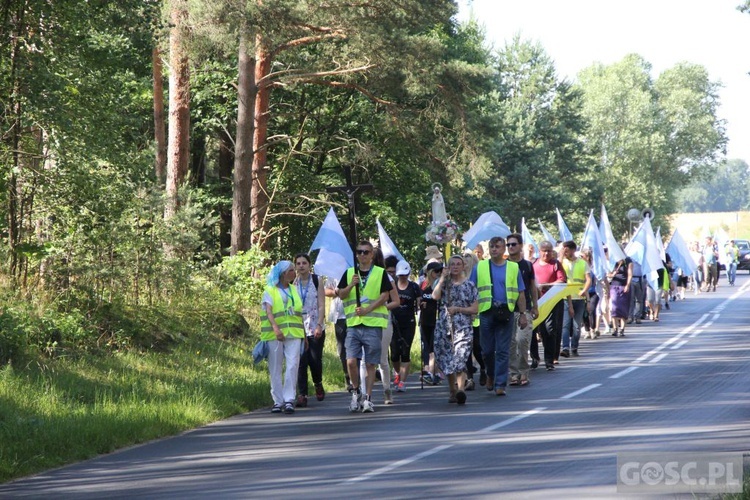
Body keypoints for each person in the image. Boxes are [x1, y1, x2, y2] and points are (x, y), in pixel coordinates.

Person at [336, 240, 392, 413]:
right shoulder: (349, 273)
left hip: (373, 324)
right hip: (353, 323)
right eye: (359, 252)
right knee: (351, 361)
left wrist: (368, 309)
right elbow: (342, 295)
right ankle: (355, 391)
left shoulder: (380, 273)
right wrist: (351, 284)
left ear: (372, 255)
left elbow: (385, 296)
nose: (362, 255)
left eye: (366, 252)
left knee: (370, 363)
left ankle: (368, 398)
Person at [469, 236, 528, 396]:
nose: (494, 249)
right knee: (486, 350)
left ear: (504, 249)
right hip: (486, 312)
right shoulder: (480, 267)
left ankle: (500, 383)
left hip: (506, 312)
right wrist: (471, 310)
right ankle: (490, 374)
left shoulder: (513, 268)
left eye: (498, 246)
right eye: (492, 247)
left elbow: (520, 293)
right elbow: (471, 290)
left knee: (503, 350)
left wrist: (522, 314)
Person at [432, 255, 478, 405]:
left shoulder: (469, 285)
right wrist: (442, 279)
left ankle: (461, 391)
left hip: (462, 326)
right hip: (444, 326)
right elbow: (435, 296)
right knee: (447, 358)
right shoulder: (445, 284)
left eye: (458, 264)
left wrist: (458, 309)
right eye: (452, 264)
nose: (455, 267)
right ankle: (452, 390)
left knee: (460, 357)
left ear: (463, 266)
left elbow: (475, 308)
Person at [261, 260, 305, 414]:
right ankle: (277, 401)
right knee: (275, 367)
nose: (295, 272)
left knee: (293, 365)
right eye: (292, 270)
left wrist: (304, 335)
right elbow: (269, 311)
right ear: (283, 274)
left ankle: (288, 399)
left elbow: (299, 313)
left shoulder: (294, 289)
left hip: (294, 333)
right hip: (275, 334)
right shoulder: (270, 290)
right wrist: (276, 329)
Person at [294, 254, 326, 408]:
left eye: (304, 263)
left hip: (315, 325)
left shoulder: (316, 280)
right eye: (298, 263)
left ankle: (318, 383)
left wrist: (319, 324)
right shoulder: (293, 283)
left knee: (314, 360)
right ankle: (302, 394)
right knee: (301, 361)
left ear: (309, 265)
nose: (301, 266)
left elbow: (321, 304)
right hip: (299, 327)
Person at [506, 233, 538, 387]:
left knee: (522, 339)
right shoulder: (503, 265)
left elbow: (532, 287)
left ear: (520, 245)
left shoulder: (527, 265)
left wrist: (535, 306)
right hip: (507, 310)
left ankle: (524, 371)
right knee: (511, 343)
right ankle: (513, 373)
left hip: (524, 309)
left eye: (513, 244)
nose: (510, 247)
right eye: (508, 245)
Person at [533, 240, 567, 370]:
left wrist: (547, 286)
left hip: (552, 302)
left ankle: (549, 360)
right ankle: (535, 357)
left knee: (549, 330)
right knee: (533, 331)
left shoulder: (556, 264)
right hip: (536, 301)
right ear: (540, 251)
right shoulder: (533, 264)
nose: (546, 253)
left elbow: (561, 280)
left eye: (549, 250)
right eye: (544, 250)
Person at [391, 259, 421, 392]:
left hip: (408, 322)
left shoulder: (414, 287)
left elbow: (419, 302)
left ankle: (402, 381)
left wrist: (422, 306)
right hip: (393, 322)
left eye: (404, 274)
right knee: (394, 354)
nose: (402, 277)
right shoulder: (392, 286)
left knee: (405, 352)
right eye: (400, 275)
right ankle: (397, 373)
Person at [560, 241, 591, 358]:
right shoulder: (562, 262)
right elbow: (556, 270)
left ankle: (574, 346)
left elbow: (588, 279)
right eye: (563, 250)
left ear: (573, 250)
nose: (565, 252)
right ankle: (565, 348)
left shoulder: (582, 263)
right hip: (565, 298)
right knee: (565, 324)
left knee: (577, 326)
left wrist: (585, 292)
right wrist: (561, 256)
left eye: (566, 250)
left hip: (578, 298)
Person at [419, 261, 443, 385]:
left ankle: (431, 372)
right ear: (430, 272)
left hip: (436, 320)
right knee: (426, 346)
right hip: (424, 320)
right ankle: (429, 371)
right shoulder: (422, 285)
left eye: (440, 271)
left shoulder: (439, 285)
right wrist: (420, 303)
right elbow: (419, 299)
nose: (438, 274)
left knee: (434, 347)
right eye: (436, 271)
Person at [325, 277, 350, 390]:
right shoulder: (333, 273)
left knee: (354, 347)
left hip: (354, 314)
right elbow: (325, 291)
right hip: (339, 315)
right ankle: (347, 376)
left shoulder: (355, 271)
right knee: (342, 349)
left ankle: (359, 376)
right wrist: (336, 291)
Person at [608, 255, 633, 336]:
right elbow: (607, 273)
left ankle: (622, 329)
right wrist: (612, 274)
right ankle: (615, 328)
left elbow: (630, 274)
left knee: (623, 307)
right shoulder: (612, 260)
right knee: (614, 308)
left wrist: (628, 285)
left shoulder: (628, 261)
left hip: (624, 286)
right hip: (614, 286)